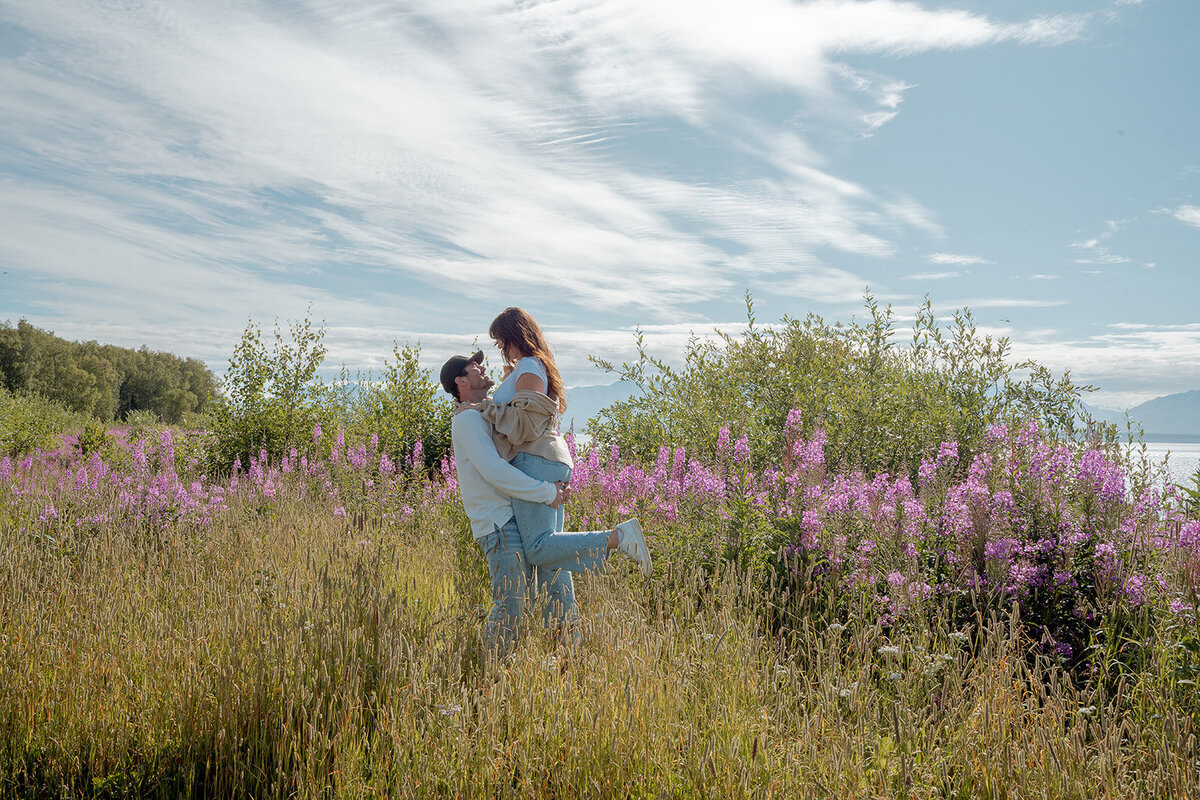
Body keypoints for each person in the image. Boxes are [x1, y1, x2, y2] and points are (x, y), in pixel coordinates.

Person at [441, 349, 650, 653]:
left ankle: (564, 647)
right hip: (497, 524)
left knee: (530, 588)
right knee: (511, 606)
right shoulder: (468, 421)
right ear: (460, 380)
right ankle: (487, 673)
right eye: (475, 367)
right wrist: (546, 492)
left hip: (508, 518)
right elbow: (495, 471)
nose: (483, 368)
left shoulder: (481, 415)